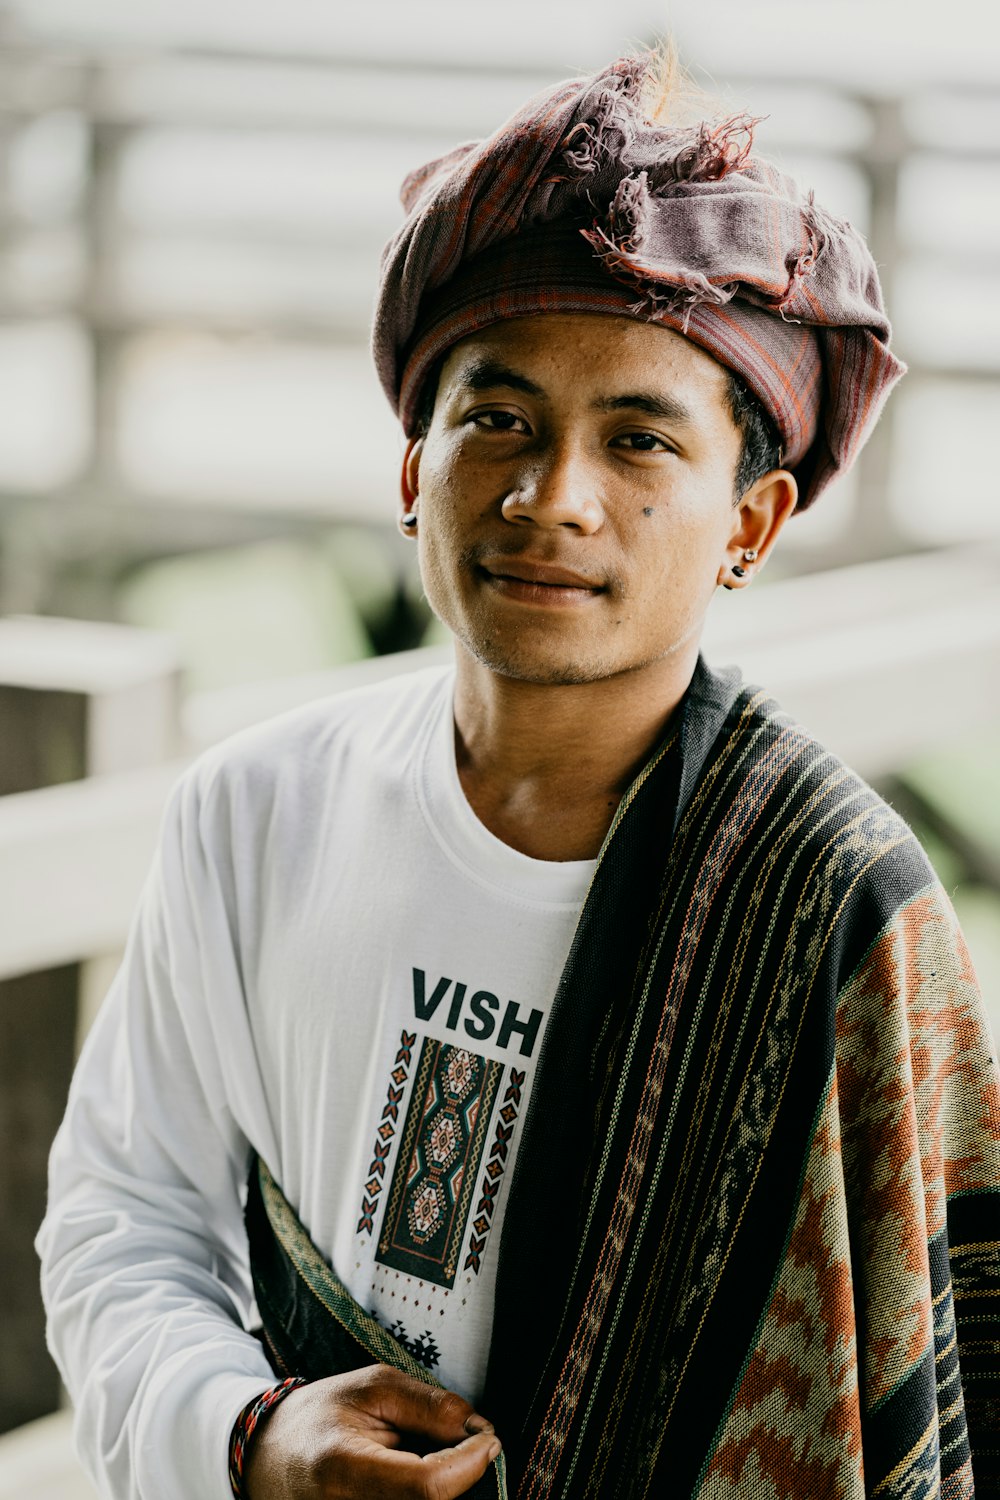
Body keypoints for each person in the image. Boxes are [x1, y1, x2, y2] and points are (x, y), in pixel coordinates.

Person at [38, 47, 1000, 1500]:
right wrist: (249, 1433)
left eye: (637, 441)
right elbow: (125, 1218)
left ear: (751, 525)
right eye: (496, 418)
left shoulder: (835, 902)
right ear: (412, 469)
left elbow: (932, 1383)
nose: (554, 496)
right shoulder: (255, 814)